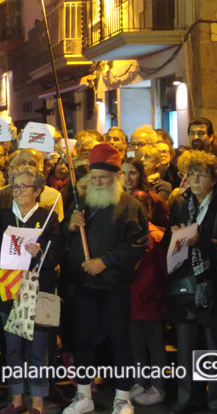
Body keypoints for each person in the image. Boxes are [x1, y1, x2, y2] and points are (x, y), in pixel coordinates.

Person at [62, 143, 148, 414]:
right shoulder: (81, 203)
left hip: (115, 285)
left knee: (120, 340)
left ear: (116, 178)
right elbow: (64, 241)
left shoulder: (130, 205)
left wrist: (105, 262)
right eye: (95, 177)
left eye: (104, 177)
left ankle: (123, 398)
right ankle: (84, 394)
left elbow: (137, 243)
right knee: (82, 340)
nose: (98, 182)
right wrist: (70, 227)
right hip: (85, 286)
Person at [165, 151, 217, 414]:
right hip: (185, 283)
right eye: (190, 173)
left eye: (201, 174)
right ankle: (187, 399)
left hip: (213, 285)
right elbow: (168, 243)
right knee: (185, 346)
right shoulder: (180, 205)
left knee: (215, 344)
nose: (194, 179)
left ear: (214, 179)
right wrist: (173, 238)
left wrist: (200, 241)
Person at [0, 166, 61, 414]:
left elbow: (58, 252)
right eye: (15, 186)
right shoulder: (3, 217)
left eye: (24, 186)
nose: (18, 191)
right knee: (13, 347)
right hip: (8, 287)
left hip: (36, 288)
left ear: (37, 190)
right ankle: (17, 398)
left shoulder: (48, 216)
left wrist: (41, 252)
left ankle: (38, 403)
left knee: (38, 348)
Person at [128, 190, 167, 407]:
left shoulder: (156, 236)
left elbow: (162, 271)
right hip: (133, 297)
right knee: (137, 343)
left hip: (150, 298)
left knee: (154, 344)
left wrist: (160, 297)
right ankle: (141, 381)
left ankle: (158, 386)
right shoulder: (128, 232)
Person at [120, 157, 169, 229]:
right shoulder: (114, 198)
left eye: (132, 173)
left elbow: (165, 228)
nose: (127, 178)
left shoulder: (154, 199)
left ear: (140, 174)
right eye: (123, 173)